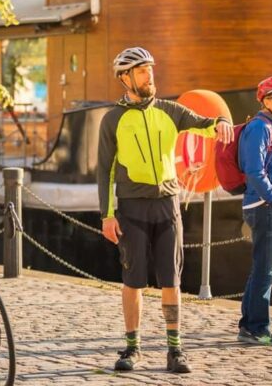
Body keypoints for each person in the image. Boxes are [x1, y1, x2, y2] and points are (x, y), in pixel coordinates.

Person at [97, 47, 234, 373]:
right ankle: (132, 347)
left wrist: (222, 122)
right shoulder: (113, 119)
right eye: (142, 71)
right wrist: (107, 214)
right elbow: (105, 170)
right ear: (125, 78)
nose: (150, 76)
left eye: (150, 70)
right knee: (133, 281)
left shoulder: (170, 110)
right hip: (131, 209)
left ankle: (175, 350)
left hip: (168, 206)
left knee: (171, 280)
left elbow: (204, 123)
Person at [236, 76, 272, 346]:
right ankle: (259, 328)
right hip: (266, 208)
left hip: (271, 208)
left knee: (262, 267)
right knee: (266, 269)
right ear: (267, 100)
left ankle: (248, 325)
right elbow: (254, 170)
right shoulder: (260, 127)